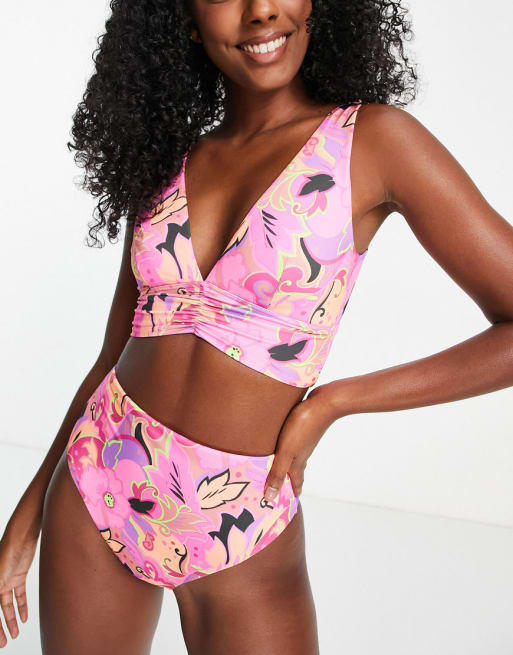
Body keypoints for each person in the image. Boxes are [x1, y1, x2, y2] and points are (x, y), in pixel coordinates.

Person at [1, 1, 513, 653]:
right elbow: (113, 352)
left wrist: (333, 402)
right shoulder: (169, 157)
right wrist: (28, 516)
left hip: (241, 520)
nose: (261, 11)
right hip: (97, 479)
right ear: (184, 19)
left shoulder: (374, 141)